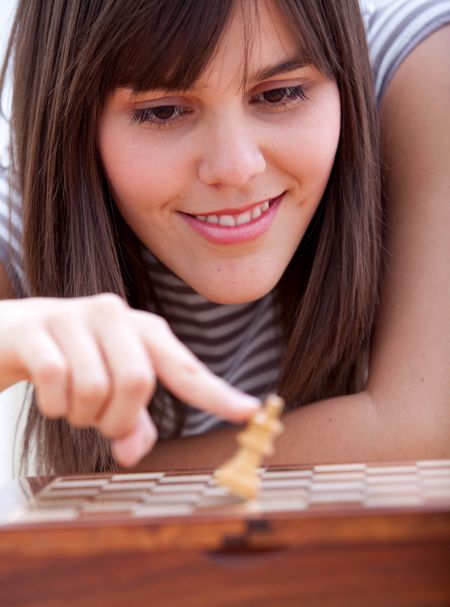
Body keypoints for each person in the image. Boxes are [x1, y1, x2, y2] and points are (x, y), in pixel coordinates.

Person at [0, 0, 448, 476]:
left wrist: (92, 485)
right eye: (164, 110)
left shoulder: (414, 67)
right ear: (72, 120)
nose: (234, 169)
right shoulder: (41, 188)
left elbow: (425, 429)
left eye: (279, 95)